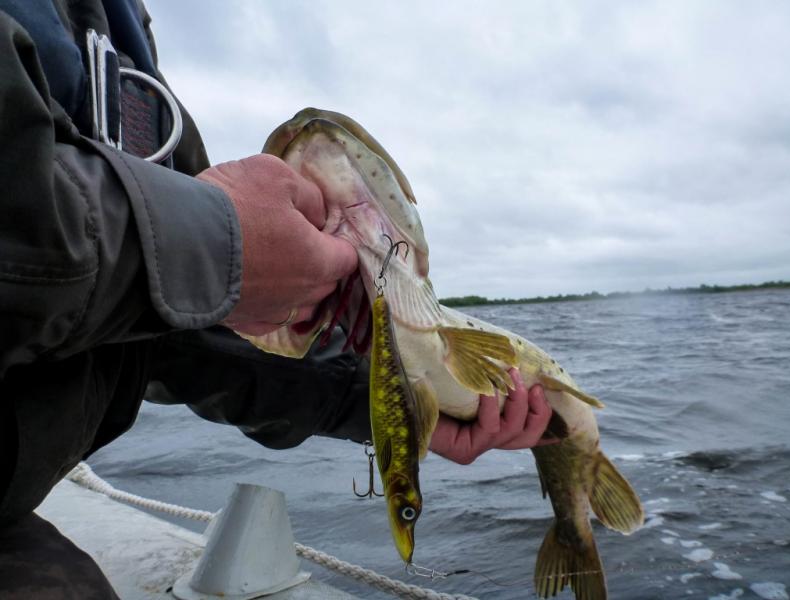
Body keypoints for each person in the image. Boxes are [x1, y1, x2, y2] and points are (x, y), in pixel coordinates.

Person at [0, 1, 553, 597]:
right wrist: (212, 241)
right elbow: (167, 268)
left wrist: (382, 402)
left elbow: (170, 330)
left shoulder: (122, 29)